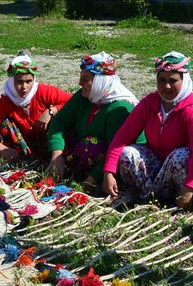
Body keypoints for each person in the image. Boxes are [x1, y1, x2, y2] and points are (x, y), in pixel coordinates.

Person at [100, 51, 193, 210]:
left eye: (173, 81)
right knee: (127, 154)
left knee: (181, 157)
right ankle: (149, 199)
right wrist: (109, 171)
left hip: (183, 174)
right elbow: (122, 137)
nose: (166, 86)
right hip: (157, 166)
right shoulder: (150, 103)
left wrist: (190, 188)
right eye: (162, 80)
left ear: (184, 80)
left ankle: (179, 201)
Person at [47, 52, 140, 190]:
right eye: (81, 77)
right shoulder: (85, 96)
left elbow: (115, 150)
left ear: (100, 82)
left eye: (85, 79)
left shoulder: (119, 109)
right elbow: (59, 121)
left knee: (90, 145)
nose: (80, 83)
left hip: (111, 164)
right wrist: (57, 153)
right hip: (84, 155)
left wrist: (89, 182)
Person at [0, 51, 71, 163]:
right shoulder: (5, 102)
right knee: (3, 124)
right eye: (19, 82)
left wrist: (51, 111)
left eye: (28, 81)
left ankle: (58, 156)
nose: (24, 87)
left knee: (57, 117)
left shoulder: (44, 92)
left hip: (49, 144)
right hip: (20, 150)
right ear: (11, 81)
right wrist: (2, 150)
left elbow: (72, 102)